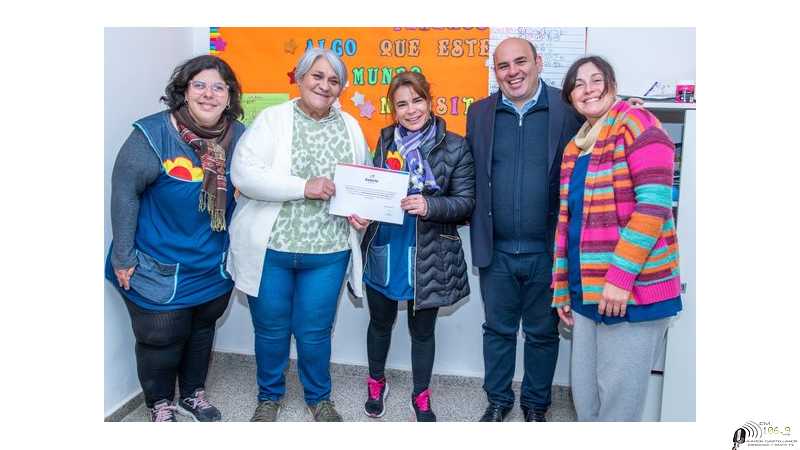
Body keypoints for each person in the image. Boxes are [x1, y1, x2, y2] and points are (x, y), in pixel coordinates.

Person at [226, 47, 370, 422]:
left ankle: (319, 397)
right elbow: (244, 174)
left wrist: (363, 214)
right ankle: (268, 397)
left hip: (328, 250)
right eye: (316, 76)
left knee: (316, 332)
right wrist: (303, 186)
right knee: (271, 330)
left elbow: (362, 181)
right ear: (301, 77)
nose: (324, 85)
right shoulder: (273, 119)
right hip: (271, 247)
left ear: (341, 87)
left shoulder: (351, 126)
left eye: (333, 80)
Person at [104, 55, 246, 422]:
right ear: (183, 91)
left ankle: (193, 394)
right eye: (199, 85)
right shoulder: (152, 135)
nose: (209, 94)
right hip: (154, 262)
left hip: (212, 260)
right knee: (162, 335)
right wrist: (123, 256)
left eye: (219, 87)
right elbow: (125, 193)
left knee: (202, 328)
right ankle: (160, 402)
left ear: (230, 96)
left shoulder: (241, 138)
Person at [552, 55, 682, 421]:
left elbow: (654, 206)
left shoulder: (637, 123)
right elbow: (569, 223)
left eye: (597, 80)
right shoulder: (576, 148)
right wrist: (563, 288)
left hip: (631, 294)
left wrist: (620, 278)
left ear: (612, 85)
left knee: (618, 411)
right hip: (587, 293)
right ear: (571, 97)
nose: (588, 88)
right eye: (578, 83)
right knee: (588, 402)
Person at [465, 37, 584, 422]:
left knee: (542, 334)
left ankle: (536, 404)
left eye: (520, 62)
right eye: (503, 66)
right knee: (497, 331)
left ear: (538, 61)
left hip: (548, 250)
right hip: (495, 249)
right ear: (494, 71)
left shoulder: (567, 112)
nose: (513, 72)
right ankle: (498, 400)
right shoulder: (479, 113)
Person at [355, 72, 475, 422]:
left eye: (417, 101)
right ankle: (376, 381)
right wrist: (362, 212)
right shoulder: (385, 138)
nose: (411, 110)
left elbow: (466, 201)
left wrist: (430, 205)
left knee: (422, 331)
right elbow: (374, 187)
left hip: (430, 250)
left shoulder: (455, 145)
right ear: (393, 109)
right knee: (380, 321)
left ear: (430, 101)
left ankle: (421, 394)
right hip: (387, 242)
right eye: (402, 104)